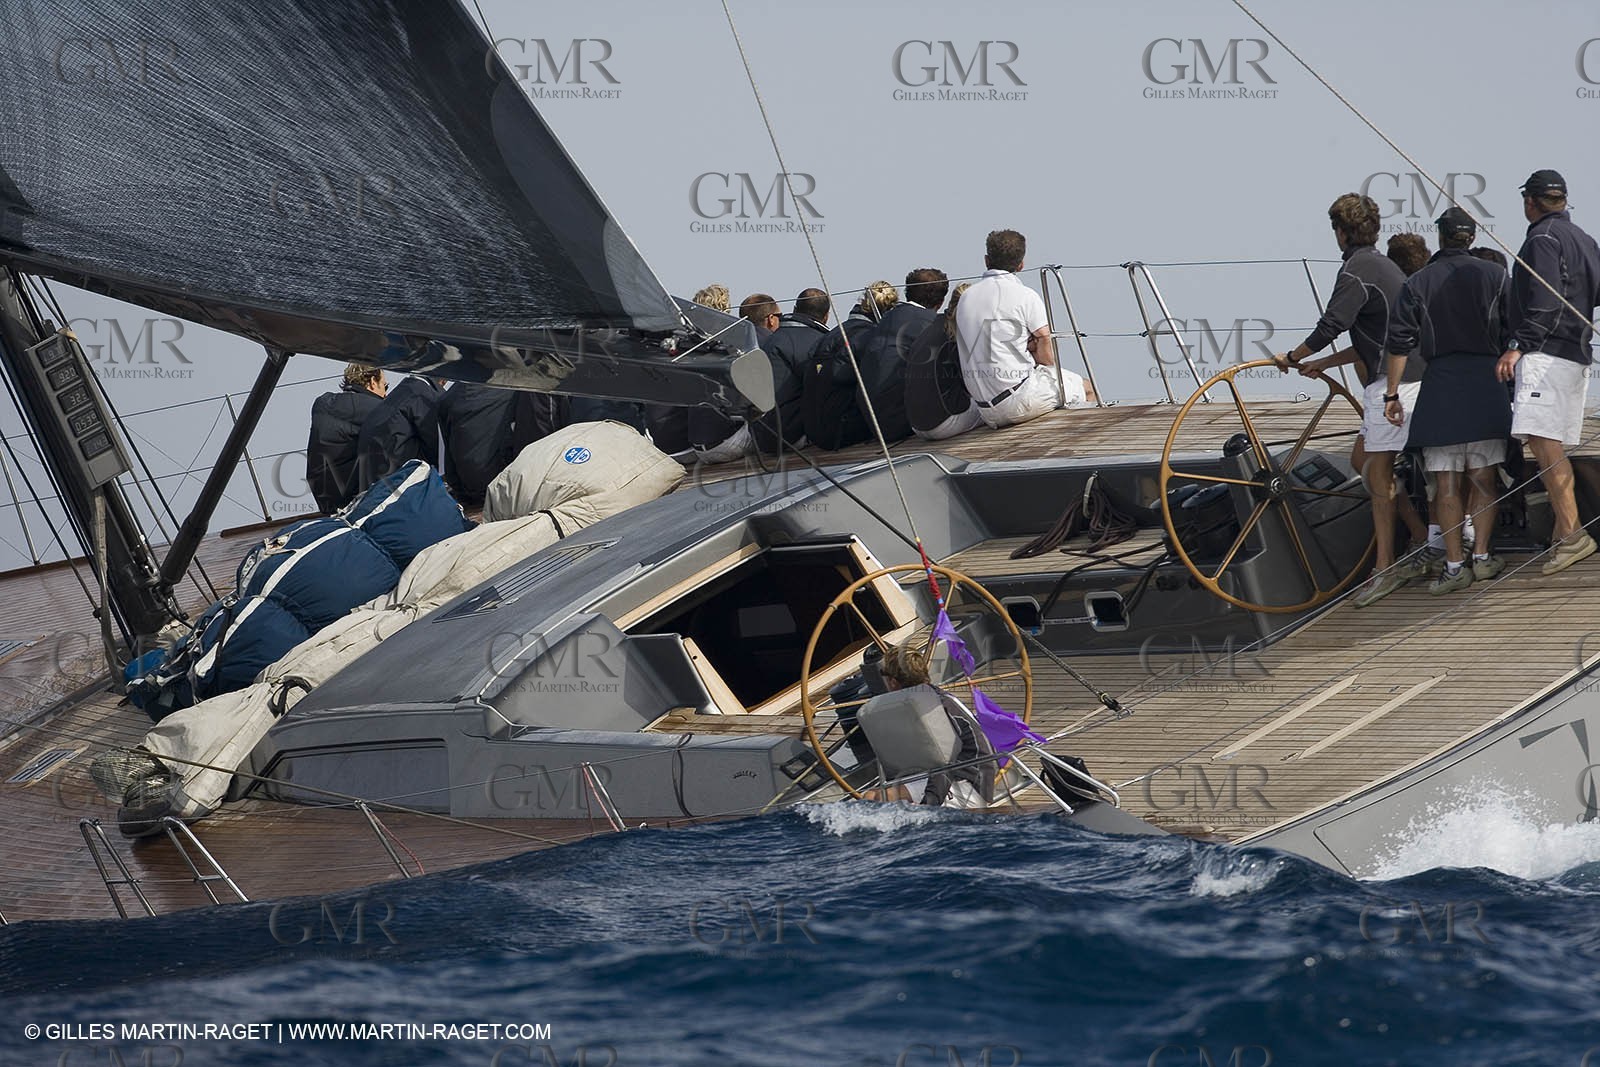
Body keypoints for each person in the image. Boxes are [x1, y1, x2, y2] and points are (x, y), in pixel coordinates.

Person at [1279, 193, 1429, 606]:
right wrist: (1325, 363)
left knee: (1377, 472)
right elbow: (1373, 335)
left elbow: (1333, 323)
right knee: (1365, 463)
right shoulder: (1382, 266)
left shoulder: (1357, 269)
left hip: (1394, 383)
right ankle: (1418, 534)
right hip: (1413, 375)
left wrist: (1291, 358)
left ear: (1340, 232)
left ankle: (1386, 567)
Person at [1382, 207, 1512, 598]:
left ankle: (1455, 565)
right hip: (1487, 382)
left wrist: (1391, 394)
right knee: (1484, 477)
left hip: (1440, 386)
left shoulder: (1419, 281)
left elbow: (1400, 341)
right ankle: (1484, 557)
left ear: (1440, 237)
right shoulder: (1497, 275)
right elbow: (1515, 327)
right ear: (1471, 237)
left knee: (1446, 484)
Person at [1497, 169, 1600, 574]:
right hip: (1577, 356)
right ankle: (1564, 534)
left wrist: (1516, 346)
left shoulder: (1540, 239)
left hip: (1545, 355)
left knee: (1545, 449)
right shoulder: (1585, 240)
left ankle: (1574, 537)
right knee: (1553, 449)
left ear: (1530, 202)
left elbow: (1542, 300)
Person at [955, 229, 1091, 429]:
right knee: (1086, 387)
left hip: (985, 410)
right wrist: (1039, 357)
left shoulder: (966, 297)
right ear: (1021, 264)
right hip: (1016, 402)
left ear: (986, 260)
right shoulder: (1025, 295)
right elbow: (1046, 348)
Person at [849, 268, 948, 444]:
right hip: (901, 420)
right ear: (940, 302)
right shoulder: (932, 323)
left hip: (872, 420)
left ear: (907, 291)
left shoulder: (885, 319)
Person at [803, 281, 897, 450]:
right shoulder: (870, 337)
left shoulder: (833, 333)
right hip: (840, 431)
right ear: (889, 311)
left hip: (816, 430)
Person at [689, 293, 781, 462]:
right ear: (771, 319)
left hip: (696, 446)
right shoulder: (760, 344)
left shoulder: (700, 347)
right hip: (723, 444)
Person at [752, 287, 831, 454]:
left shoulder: (770, 340)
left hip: (761, 436)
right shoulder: (820, 343)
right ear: (826, 317)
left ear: (795, 309)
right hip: (790, 436)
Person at [905, 283, 983, 440]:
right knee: (996, 407)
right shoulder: (957, 334)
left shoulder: (930, 329)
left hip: (917, 426)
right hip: (944, 421)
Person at [305, 363, 385, 514]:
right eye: (385, 386)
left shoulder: (323, 403)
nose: (386, 394)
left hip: (324, 497)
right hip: (354, 497)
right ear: (373, 381)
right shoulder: (377, 408)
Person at [354, 373, 444, 493]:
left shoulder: (396, 398)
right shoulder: (423, 395)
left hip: (379, 487)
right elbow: (439, 447)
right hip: (408, 484)